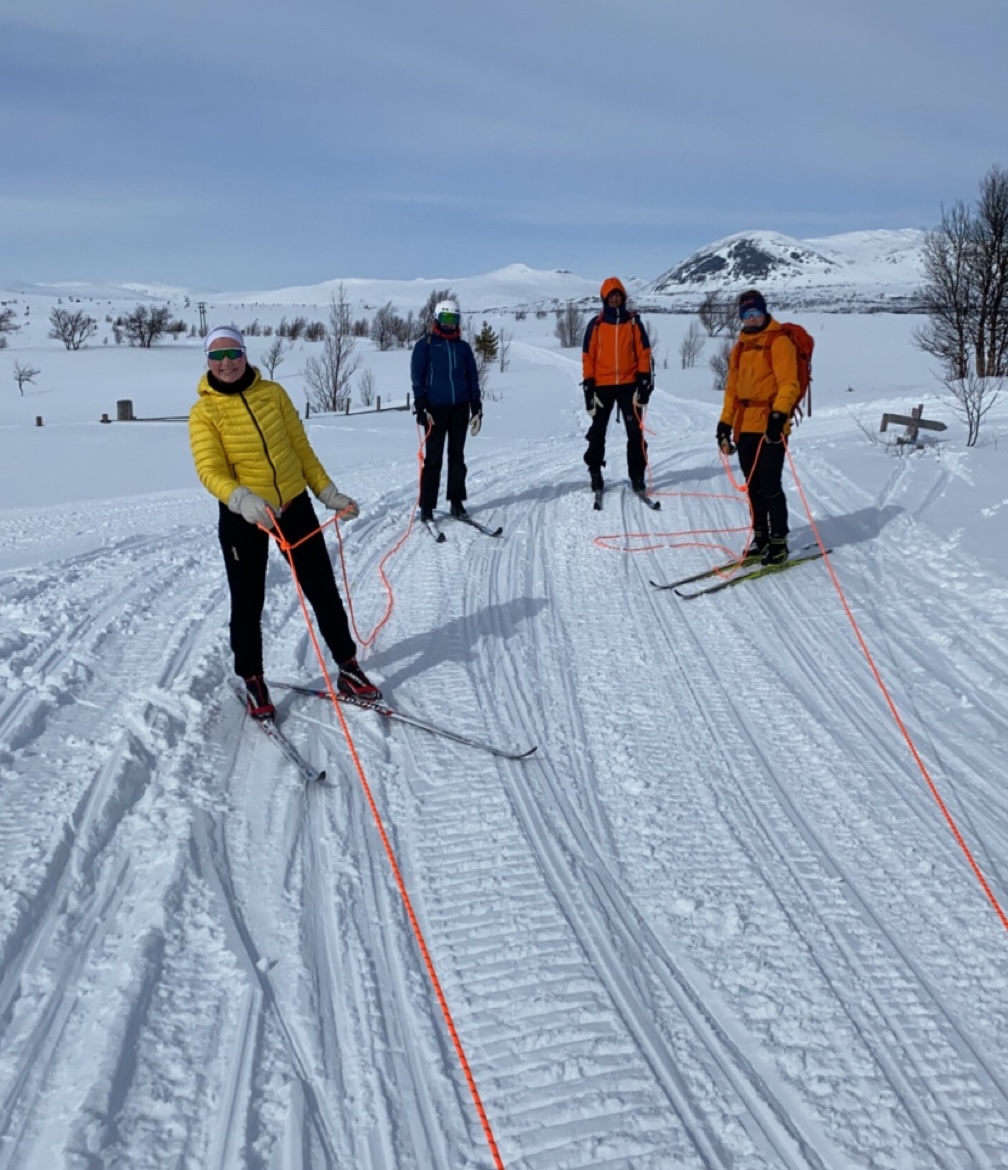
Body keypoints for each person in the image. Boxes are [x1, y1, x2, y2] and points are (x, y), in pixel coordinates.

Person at [188, 324, 381, 718]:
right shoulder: (203, 412)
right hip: (245, 516)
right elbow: (209, 469)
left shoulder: (273, 394)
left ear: (245, 353)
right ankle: (253, 679)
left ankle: (347, 666)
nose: (227, 363)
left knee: (323, 589)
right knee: (247, 601)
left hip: (294, 505)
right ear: (207, 361)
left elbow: (300, 449)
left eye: (233, 353)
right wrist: (242, 498)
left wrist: (327, 493)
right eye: (217, 356)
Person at [716, 289, 802, 566]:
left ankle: (779, 540)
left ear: (764, 312)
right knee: (752, 486)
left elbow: (790, 383)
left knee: (770, 485)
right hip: (744, 425)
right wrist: (724, 424)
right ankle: (761, 537)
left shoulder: (779, 342)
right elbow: (732, 391)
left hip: (770, 426)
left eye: (756, 313)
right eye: (746, 314)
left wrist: (779, 416)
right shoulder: (738, 348)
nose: (751, 319)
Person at [410, 299, 482, 521]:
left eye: (454, 319)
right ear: (437, 319)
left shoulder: (463, 348)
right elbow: (417, 377)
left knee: (457, 457)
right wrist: (421, 406)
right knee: (433, 460)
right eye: (446, 319)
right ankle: (427, 506)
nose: (450, 324)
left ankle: (457, 502)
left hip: (459, 409)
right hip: (435, 411)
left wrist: (476, 407)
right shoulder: (426, 345)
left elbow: (472, 378)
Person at [581, 277, 653, 494]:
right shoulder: (596, 325)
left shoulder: (633, 323)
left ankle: (637, 475)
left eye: (617, 296)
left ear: (623, 298)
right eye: (611, 296)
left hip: (629, 385)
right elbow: (588, 357)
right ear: (604, 299)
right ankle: (595, 470)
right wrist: (588, 387)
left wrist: (643, 382)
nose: (614, 299)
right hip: (602, 386)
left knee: (635, 432)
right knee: (597, 432)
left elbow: (644, 353)